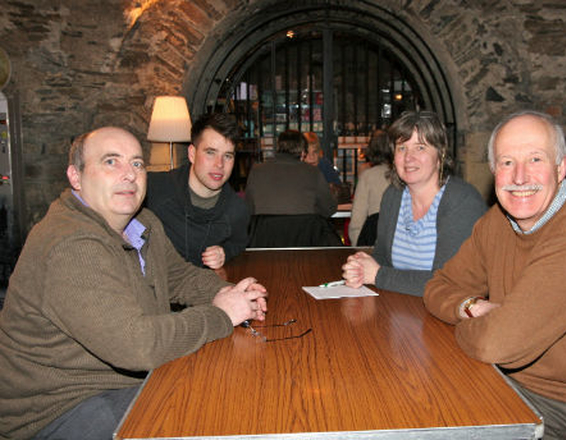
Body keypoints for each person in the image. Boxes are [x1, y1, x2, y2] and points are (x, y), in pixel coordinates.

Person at [0, 127, 268, 439]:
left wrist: (226, 292)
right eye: (111, 162)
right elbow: (137, 346)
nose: (129, 174)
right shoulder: (70, 244)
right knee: (205, 416)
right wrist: (221, 315)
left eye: (137, 164)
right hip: (57, 408)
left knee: (227, 394)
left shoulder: (141, 222)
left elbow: (179, 275)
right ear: (76, 176)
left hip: (120, 383)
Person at [424, 111, 566, 439]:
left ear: (561, 167)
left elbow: (496, 343)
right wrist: (474, 308)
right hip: (520, 385)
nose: (520, 177)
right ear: (493, 171)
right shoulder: (497, 220)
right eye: (507, 162)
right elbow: (438, 287)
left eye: (535, 159)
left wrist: (472, 327)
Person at [342, 111, 486, 296]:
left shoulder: (462, 201)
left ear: (440, 154)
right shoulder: (393, 196)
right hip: (400, 308)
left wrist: (378, 275)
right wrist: (362, 267)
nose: (409, 157)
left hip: (446, 317)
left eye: (420, 148)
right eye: (402, 148)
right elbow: (383, 257)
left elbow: (450, 283)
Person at [146, 113, 249, 270]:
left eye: (227, 156)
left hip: (205, 289)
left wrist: (224, 252)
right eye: (210, 152)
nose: (219, 164)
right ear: (192, 154)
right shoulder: (154, 189)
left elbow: (239, 244)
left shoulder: (237, 209)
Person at [245, 129, 337, 217]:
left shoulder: (257, 171)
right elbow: (329, 209)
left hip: (265, 231)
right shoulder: (313, 172)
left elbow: (249, 210)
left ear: (278, 148)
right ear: (302, 153)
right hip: (303, 231)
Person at [348, 129, 393, 246]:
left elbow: (357, 220)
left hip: (374, 239)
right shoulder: (405, 175)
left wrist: (358, 246)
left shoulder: (367, 176)